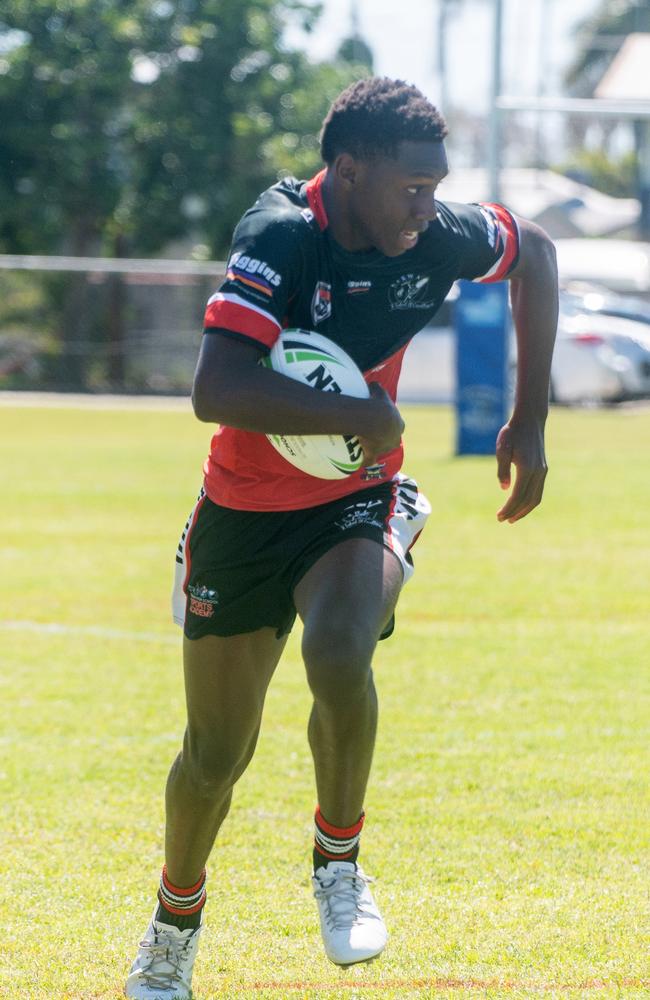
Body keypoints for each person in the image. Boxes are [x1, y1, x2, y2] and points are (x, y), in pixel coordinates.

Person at [125, 77, 557, 997]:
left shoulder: (434, 235)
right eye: (410, 187)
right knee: (214, 757)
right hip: (243, 512)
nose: (427, 206)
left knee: (337, 646)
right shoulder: (282, 235)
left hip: (353, 497)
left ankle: (338, 863)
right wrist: (361, 406)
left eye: (436, 186)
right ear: (349, 171)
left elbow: (539, 254)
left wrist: (529, 420)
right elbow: (217, 388)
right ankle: (175, 922)